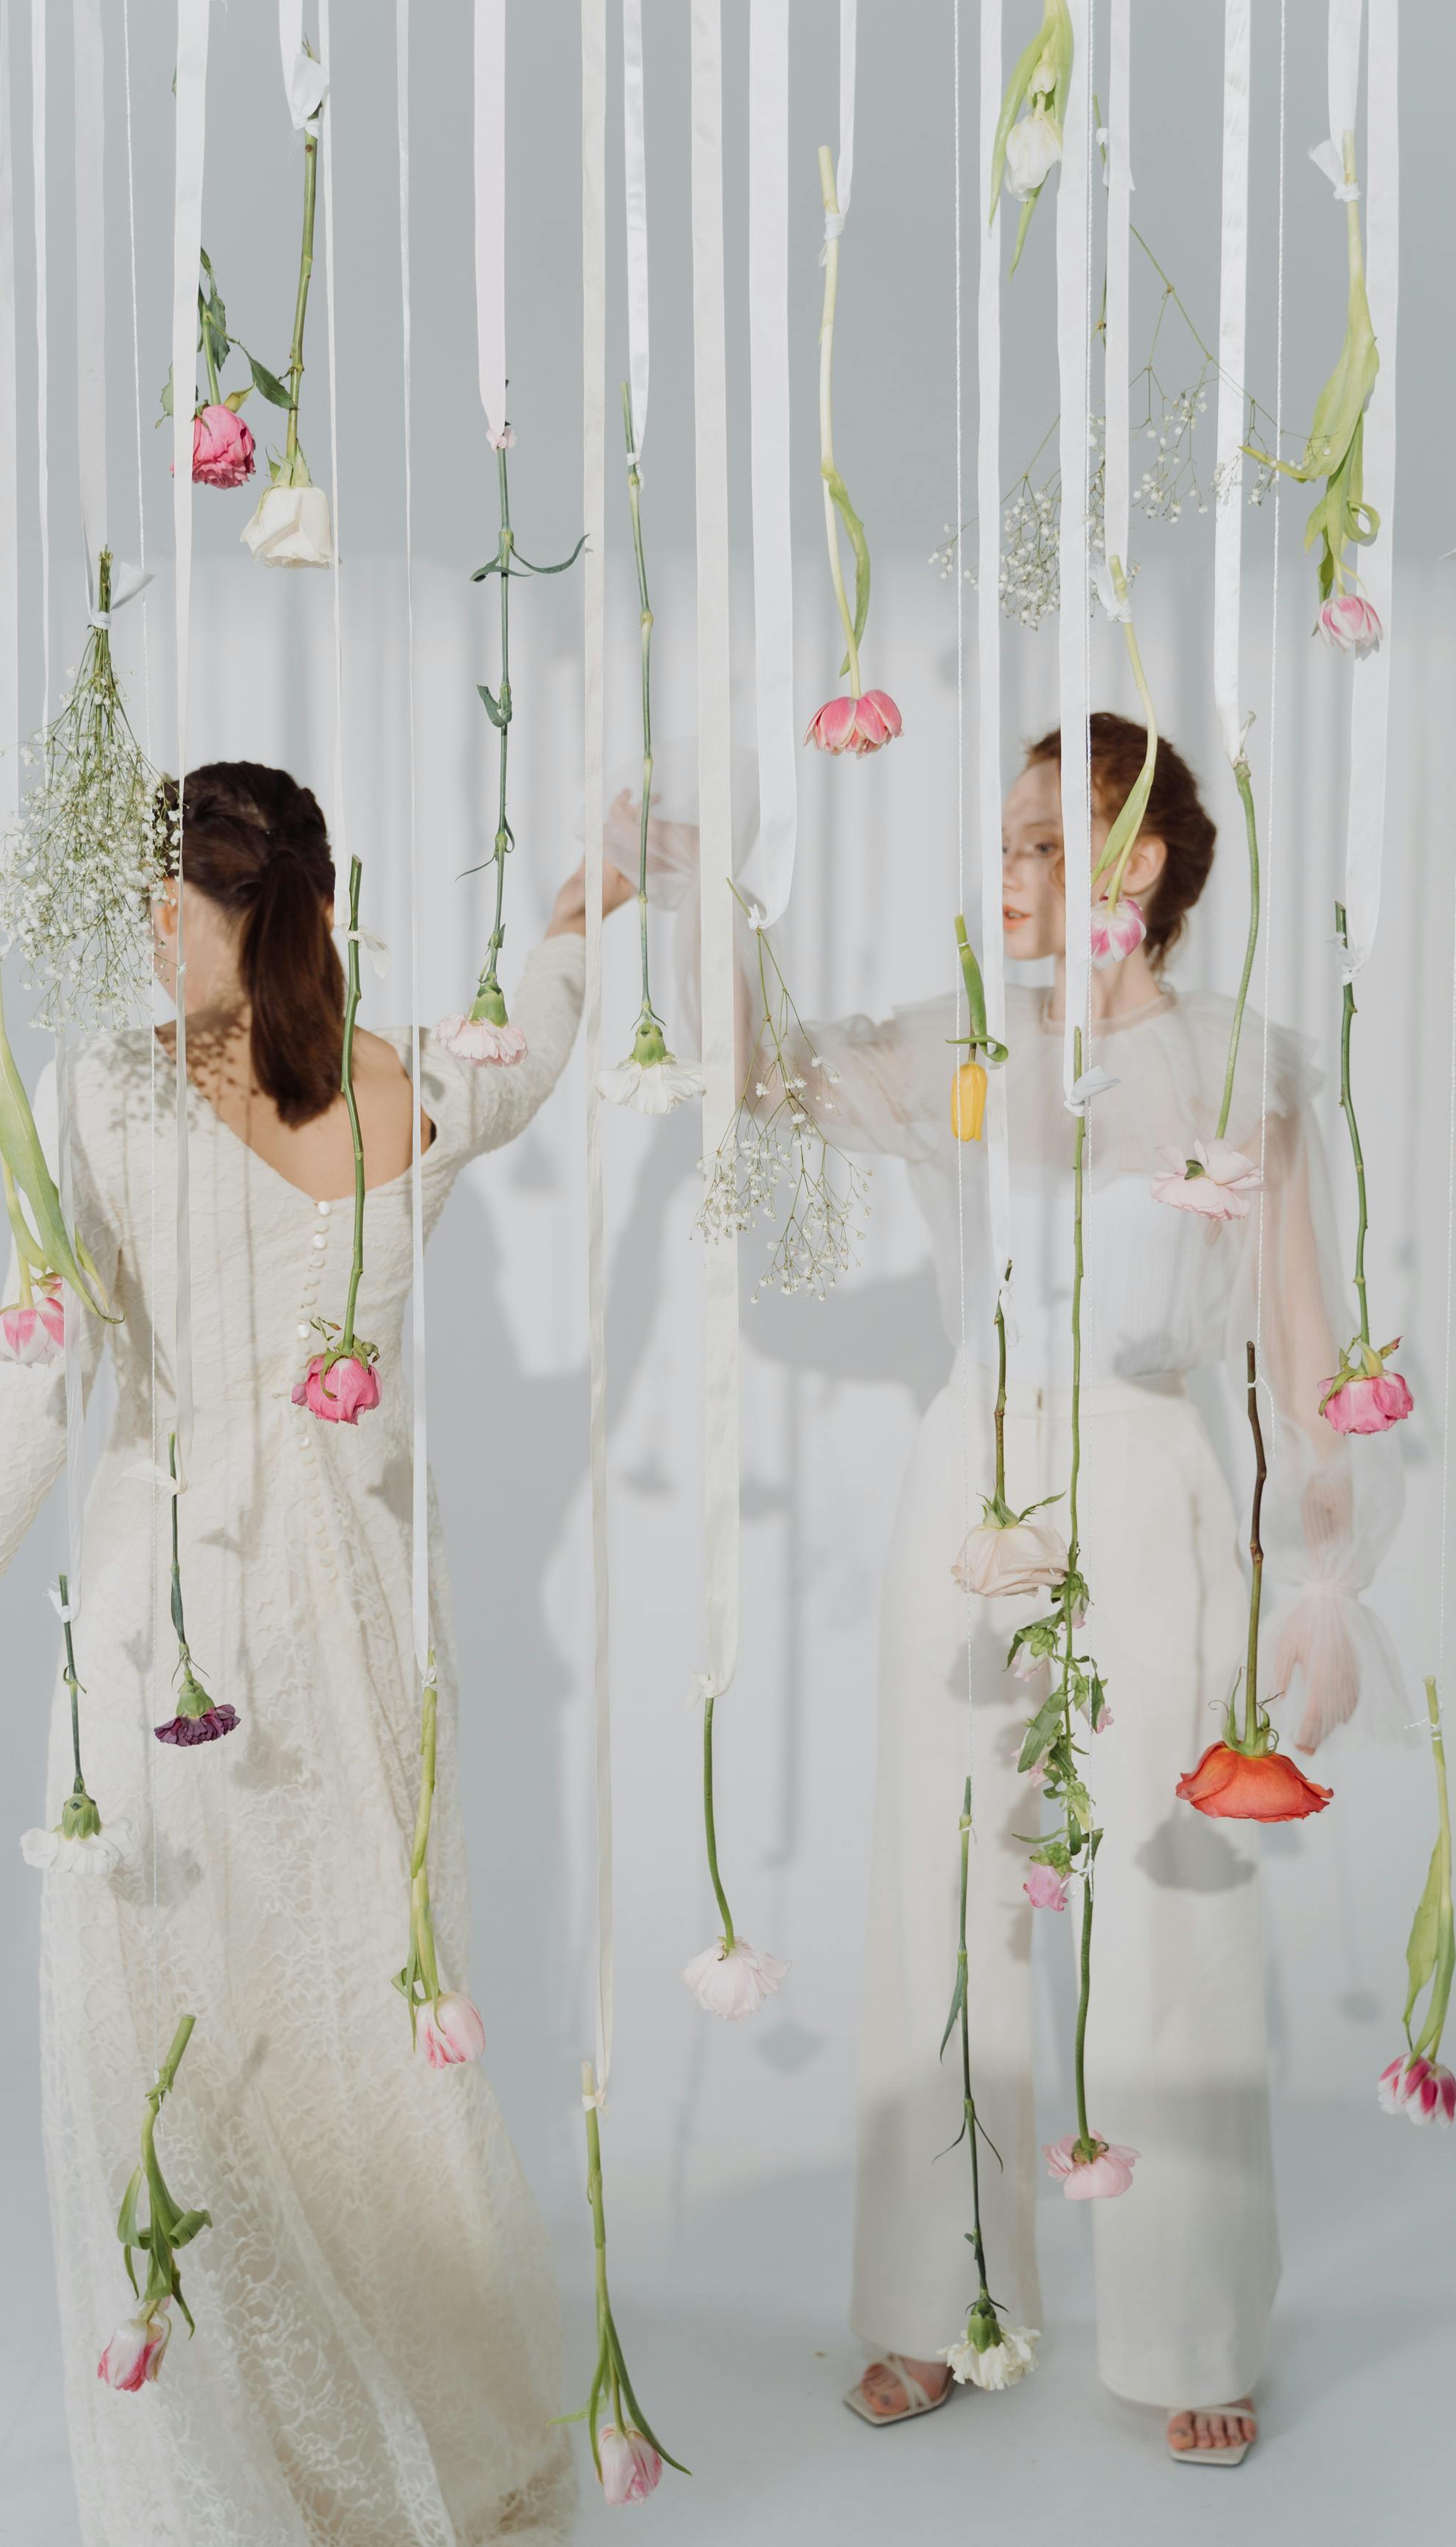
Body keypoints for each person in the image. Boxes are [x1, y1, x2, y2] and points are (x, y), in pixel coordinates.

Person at [0, 762, 631, 2546]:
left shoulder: (106, 1090)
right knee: (364, 2034)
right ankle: (419, 2440)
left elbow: (38, 1405)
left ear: (209, 911)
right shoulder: (417, 1083)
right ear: (326, 909)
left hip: (162, 1624)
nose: (143, 937)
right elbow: (547, 1029)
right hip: (355, 1617)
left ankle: (243, 2479)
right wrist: (583, 910)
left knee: (166, 2038)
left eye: (158, 907)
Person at [613, 715, 1394, 2465]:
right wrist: (712, 894)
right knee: (941, 1887)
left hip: (1151, 1472)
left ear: (1141, 863)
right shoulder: (964, 1042)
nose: (1013, 873)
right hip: (964, 1476)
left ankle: (1193, 2321)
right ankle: (931, 2304)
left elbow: (1302, 1340)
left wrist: (1323, 1574)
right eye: (1009, 840)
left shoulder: (1241, 1063)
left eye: (1046, 842)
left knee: (1173, 1898)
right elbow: (764, 1074)